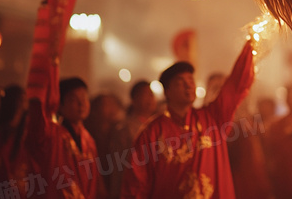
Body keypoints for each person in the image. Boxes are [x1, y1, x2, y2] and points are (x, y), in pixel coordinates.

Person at [120, 40, 255, 199]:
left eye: (190, 81)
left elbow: (235, 86)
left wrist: (250, 47)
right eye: (181, 82)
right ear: (167, 92)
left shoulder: (212, 117)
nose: (189, 86)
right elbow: (136, 185)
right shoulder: (151, 133)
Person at [27, 77, 104, 198]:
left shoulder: (89, 140)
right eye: (73, 99)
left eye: (84, 97)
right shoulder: (51, 134)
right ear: (60, 106)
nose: (81, 103)